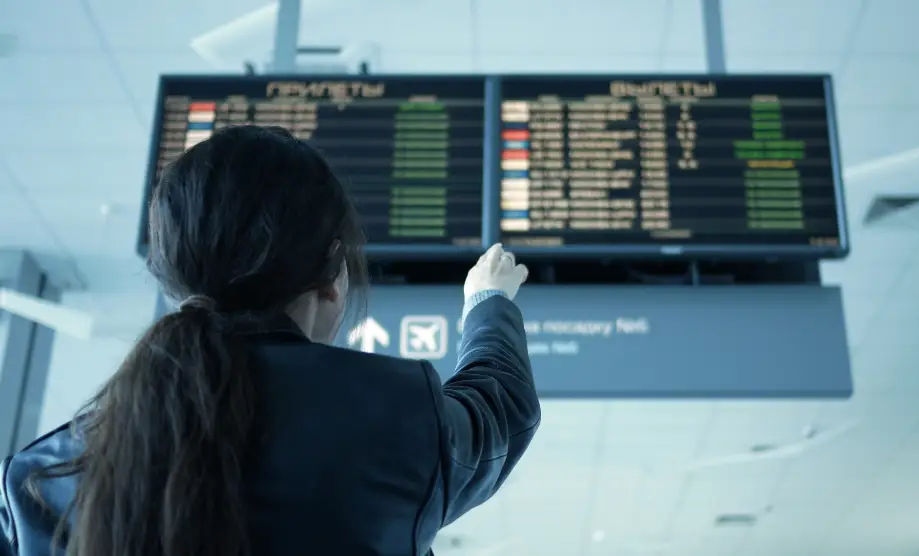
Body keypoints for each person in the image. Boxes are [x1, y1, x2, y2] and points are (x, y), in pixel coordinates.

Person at [0, 125, 539, 556]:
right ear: (332, 278)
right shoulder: (394, 416)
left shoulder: (40, 476)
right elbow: (500, 409)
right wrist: (487, 301)